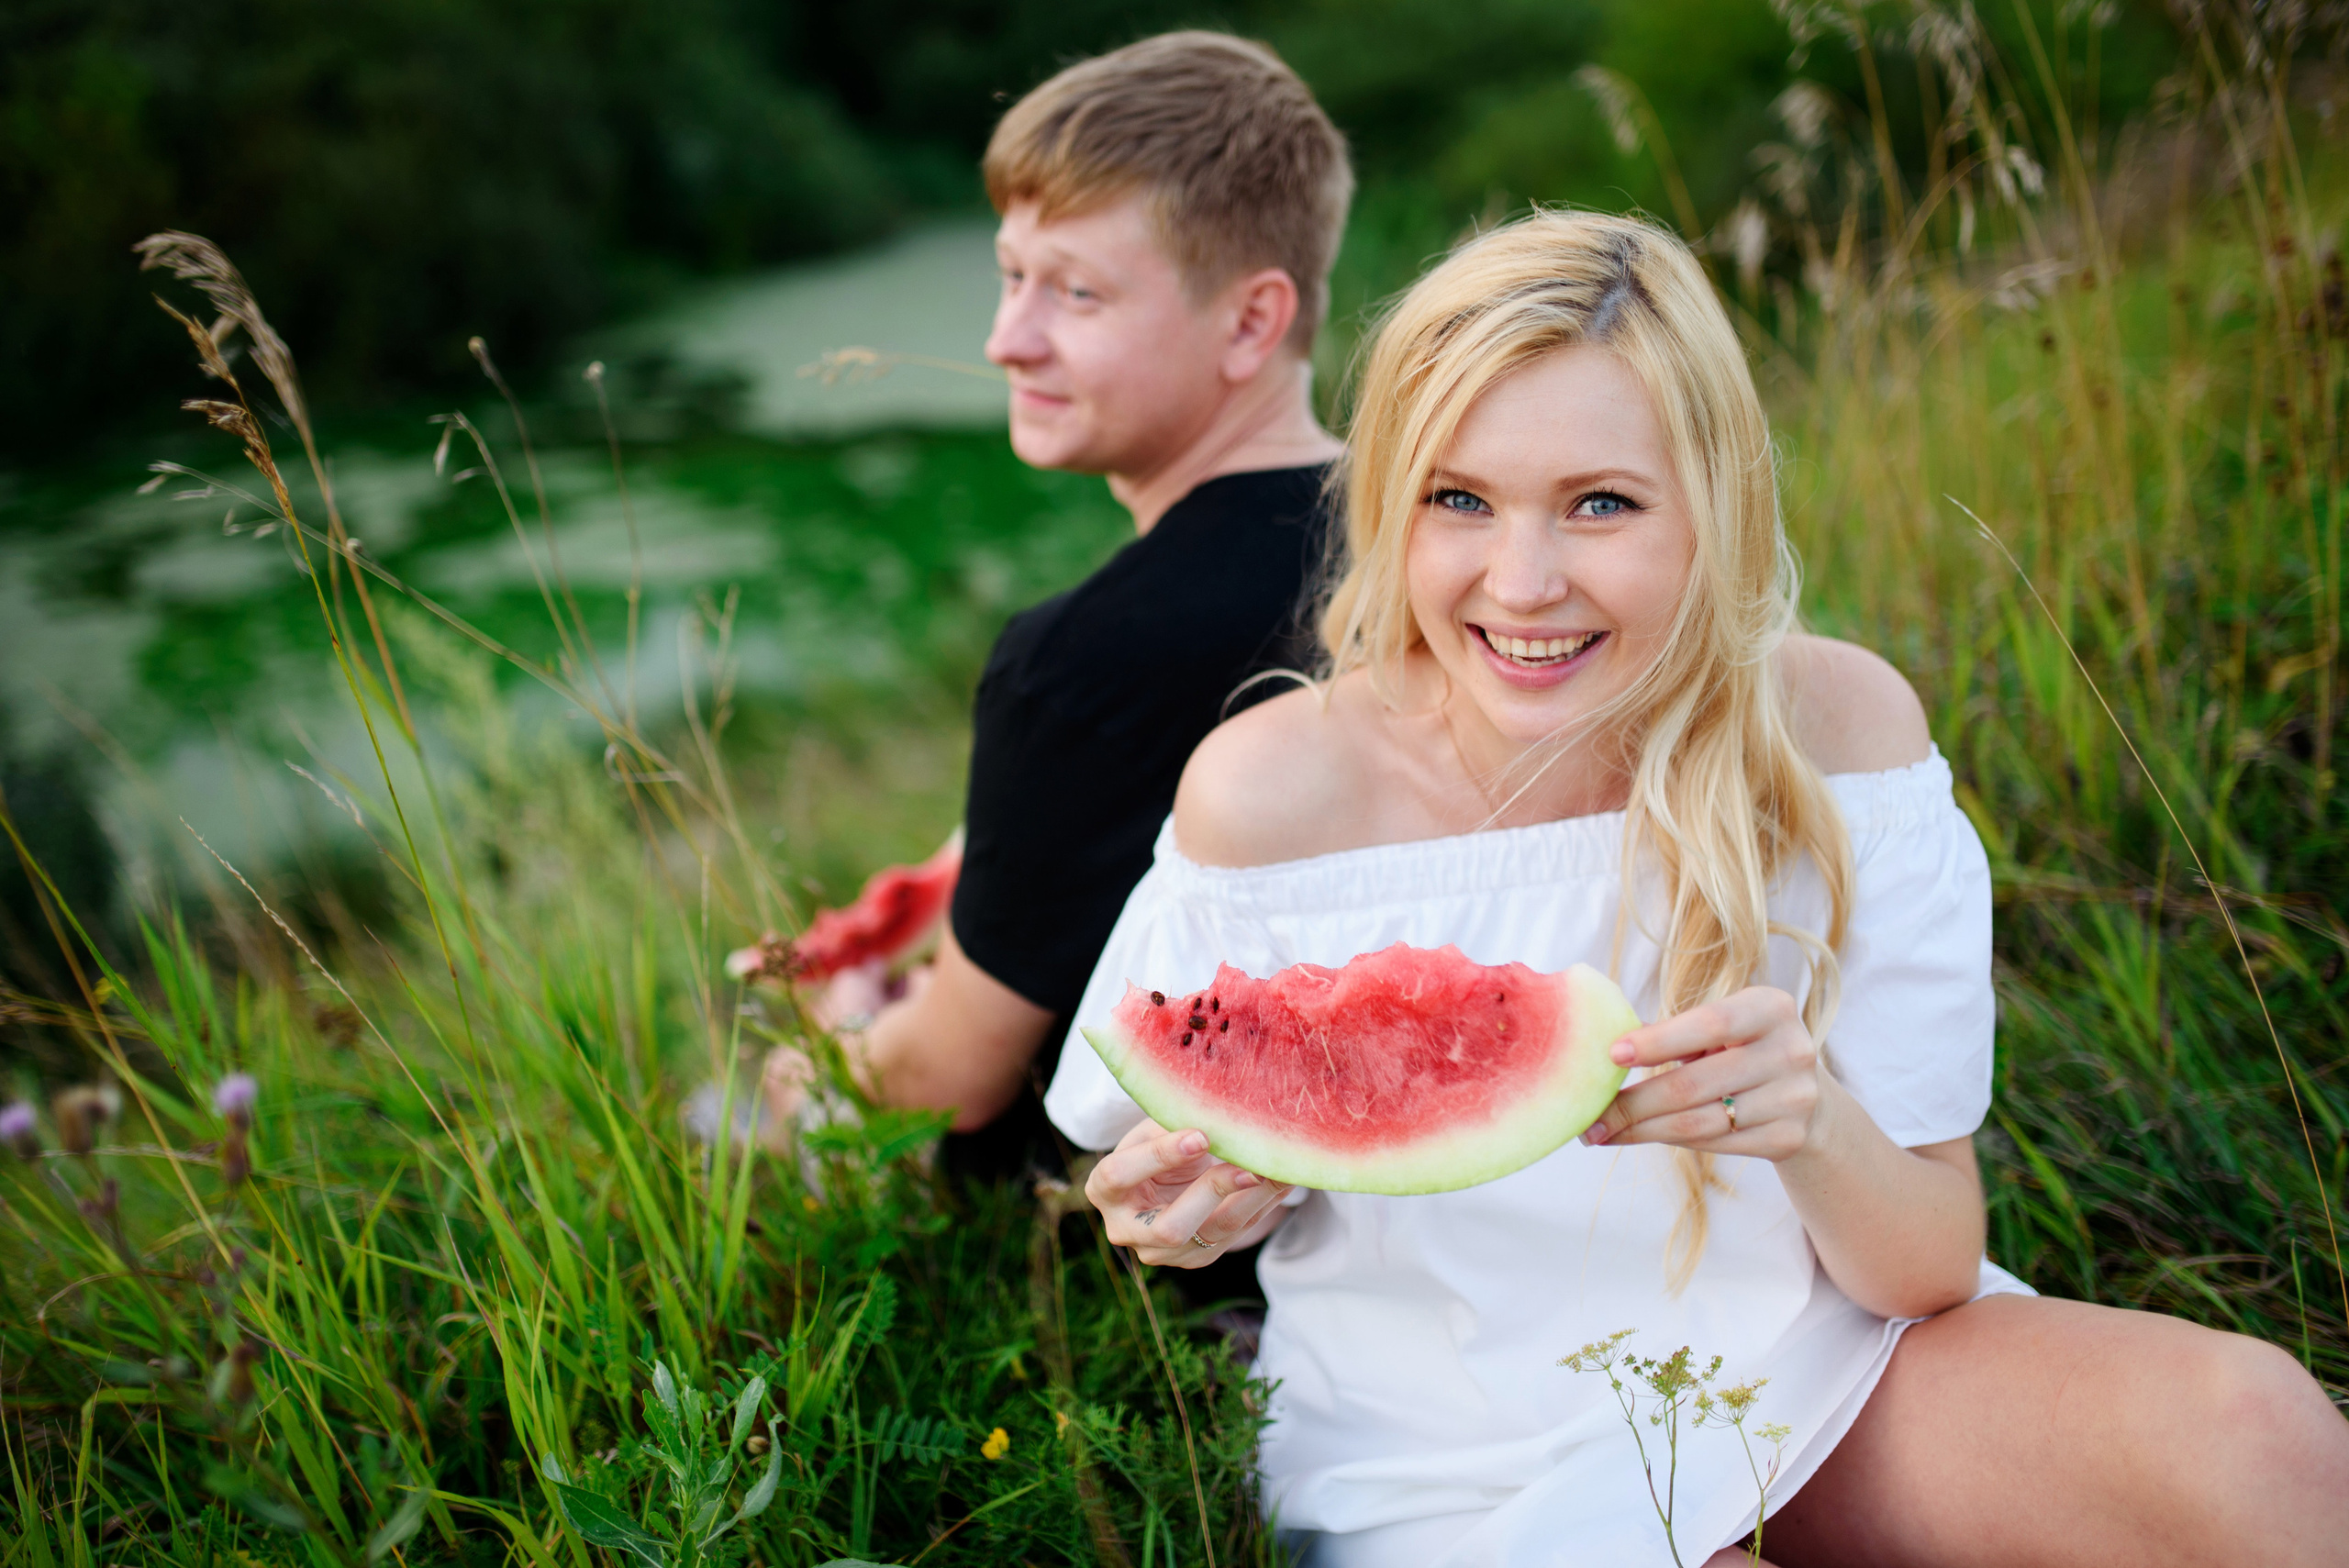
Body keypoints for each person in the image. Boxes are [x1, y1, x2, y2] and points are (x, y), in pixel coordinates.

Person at [1049, 210, 2349, 1566]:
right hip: (1451, 1456)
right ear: (1391, 502)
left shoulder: (1840, 738)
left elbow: (1928, 1261)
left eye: (1601, 503)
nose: (1524, 582)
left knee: (2256, 1431)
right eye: (1460, 499)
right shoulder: (1275, 794)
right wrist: (1186, 1209)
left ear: (1712, 502)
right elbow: (1136, 1151)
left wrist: (1811, 1126)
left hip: (1824, 1374)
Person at [769, 32, 1352, 1193]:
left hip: (1162, 1242)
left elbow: (944, 1080)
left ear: (1250, 322)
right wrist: (982, 865)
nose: (1005, 339)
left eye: (1075, 291)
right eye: (1010, 274)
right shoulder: (1435, 538)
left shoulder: (1082, 656)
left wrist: (824, 1040)